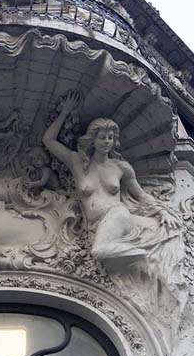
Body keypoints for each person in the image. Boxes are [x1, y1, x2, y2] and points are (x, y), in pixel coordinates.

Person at [42, 90, 179, 269]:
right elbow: (48, 140)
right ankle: (148, 254)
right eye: (102, 137)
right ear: (92, 139)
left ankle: (150, 255)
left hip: (117, 215)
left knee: (100, 252)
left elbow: (141, 195)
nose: (107, 141)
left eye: (111, 138)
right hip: (94, 226)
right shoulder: (77, 162)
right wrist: (65, 112)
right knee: (101, 250)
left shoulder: (121, 167)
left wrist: (163, 212)